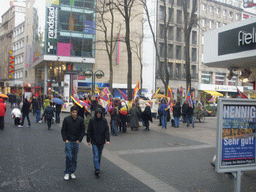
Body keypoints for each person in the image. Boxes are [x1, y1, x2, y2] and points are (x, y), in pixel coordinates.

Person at [61, 106, 85, 181]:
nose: (75, 113)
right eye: (73, 112)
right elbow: (63, 130)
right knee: (69, 157)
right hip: (68, 141)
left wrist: (79, 139)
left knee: (74, 158)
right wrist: (65, 139)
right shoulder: (66, 119)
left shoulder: (80, 120)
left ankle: (72, 171)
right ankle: (67, 172)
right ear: (71, 112)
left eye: (76, 112)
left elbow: (83, 130)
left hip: (76, 141)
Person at [87, 108, 110, 178]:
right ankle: (97, 169)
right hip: (94, 140)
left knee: (99, 155)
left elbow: (106, 130)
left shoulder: (104, 120)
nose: (98, 115)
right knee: (96, 155)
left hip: (101, 140)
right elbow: (89, 131)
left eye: (100, 114)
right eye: (97, 113)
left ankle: (97, 166)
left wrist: (107, 139)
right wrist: (88, 140)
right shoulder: (92, 120)